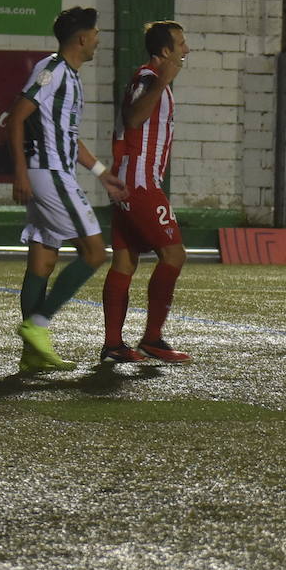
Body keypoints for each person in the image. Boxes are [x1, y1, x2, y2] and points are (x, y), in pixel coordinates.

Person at [7, 6, 128, 373]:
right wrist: (21, 173)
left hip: (54, 170)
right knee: (94, 252)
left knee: (43, 258)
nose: (98, 39)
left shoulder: (70, 76)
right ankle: (37, 325)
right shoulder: (53, 70)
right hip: (49, 173)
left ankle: (32, 355)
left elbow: (68, 137)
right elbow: (15, 117)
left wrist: (101, 172)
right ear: (81, 38)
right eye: (94, 33)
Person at [100, 20, 192, 364]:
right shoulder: (149, 79)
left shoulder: (150, 81)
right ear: (165, 51)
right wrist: (162, 81)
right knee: (174, 254)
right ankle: (152, 339)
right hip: (140, 186)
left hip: (129, 183)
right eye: (181, 44)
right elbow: (134, 118)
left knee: (125, 260)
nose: (186, 50)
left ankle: (113, 346)